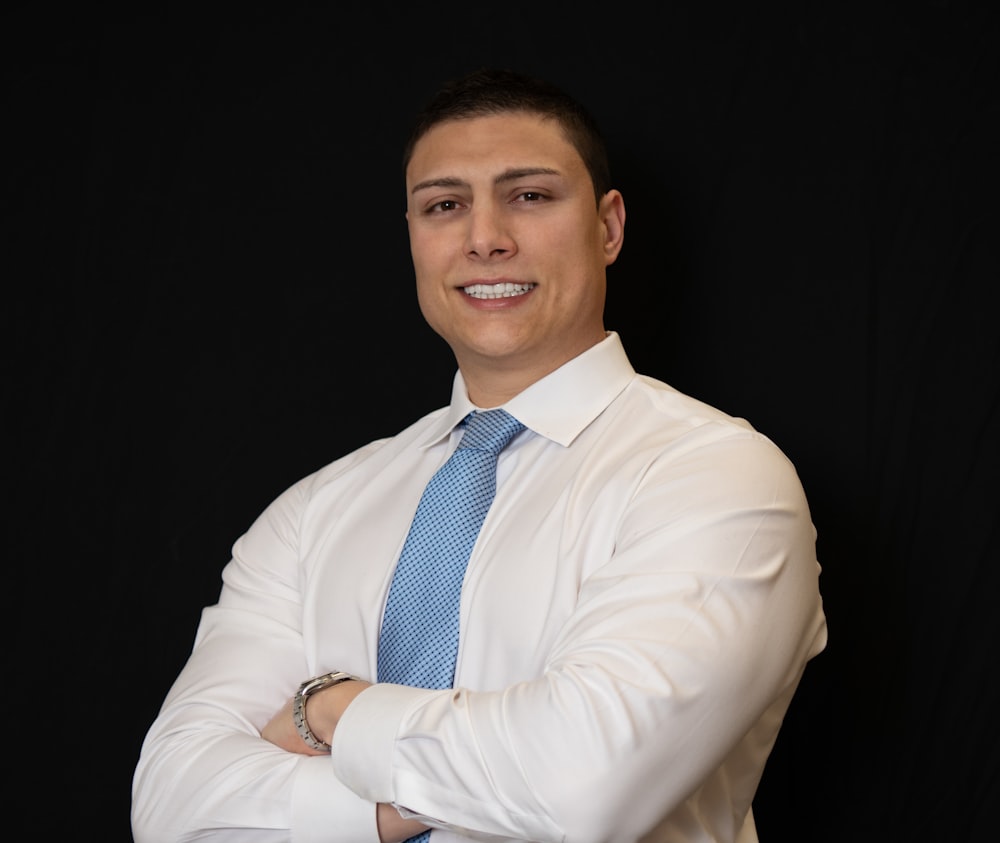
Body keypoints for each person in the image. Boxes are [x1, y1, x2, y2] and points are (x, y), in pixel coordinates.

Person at [131, 67, 827, 843]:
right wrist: (406, 802)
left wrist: (328, 707)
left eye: (529, 195)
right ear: (413, 236)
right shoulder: (314, 511)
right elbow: (172, 807)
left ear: (608, 227)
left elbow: (581, 787)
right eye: (444, 205)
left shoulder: (716, 478)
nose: (486, 237)